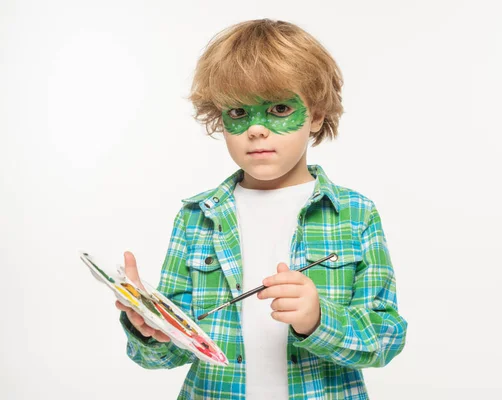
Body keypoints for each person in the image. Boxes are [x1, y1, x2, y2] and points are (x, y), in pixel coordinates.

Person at [116, 18, 407, 400]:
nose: (256, 130)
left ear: (316, 115)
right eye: (238, 113)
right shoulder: (196, 218)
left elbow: (386, 338)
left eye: (280, 108)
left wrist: (320, 320)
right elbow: (166, 354)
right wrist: (150, 325)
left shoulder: (354, 214)